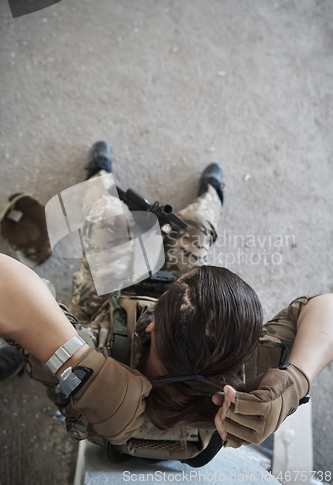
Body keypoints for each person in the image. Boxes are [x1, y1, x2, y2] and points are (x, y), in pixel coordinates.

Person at [0, 142, 333, 458]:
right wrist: (296, 380)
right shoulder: (250, 381)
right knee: (196, 230)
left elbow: (14, 292)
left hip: (104, 311)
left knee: (105, 219)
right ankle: (211, 196)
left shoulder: (93, 349)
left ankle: (99, 179)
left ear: (153, 322)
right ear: (248, 346)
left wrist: (76, 361)